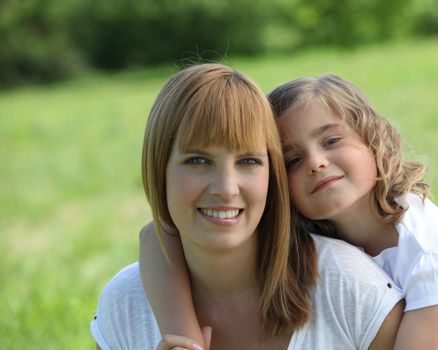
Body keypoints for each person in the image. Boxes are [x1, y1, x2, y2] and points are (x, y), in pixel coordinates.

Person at [140, 72, 438, 349]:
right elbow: (156, 237)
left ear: (374, 139)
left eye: (332, 140)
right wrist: (184, 337)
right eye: (292, 159)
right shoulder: (316, 229)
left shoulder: (431, 251)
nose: (316, 162)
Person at [90, 64, 404, 350]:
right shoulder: (125, 305)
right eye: (198, 161)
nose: (226, 188)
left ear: (273, 175)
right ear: (159, 170)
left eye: (249, 161)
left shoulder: (349, 289)